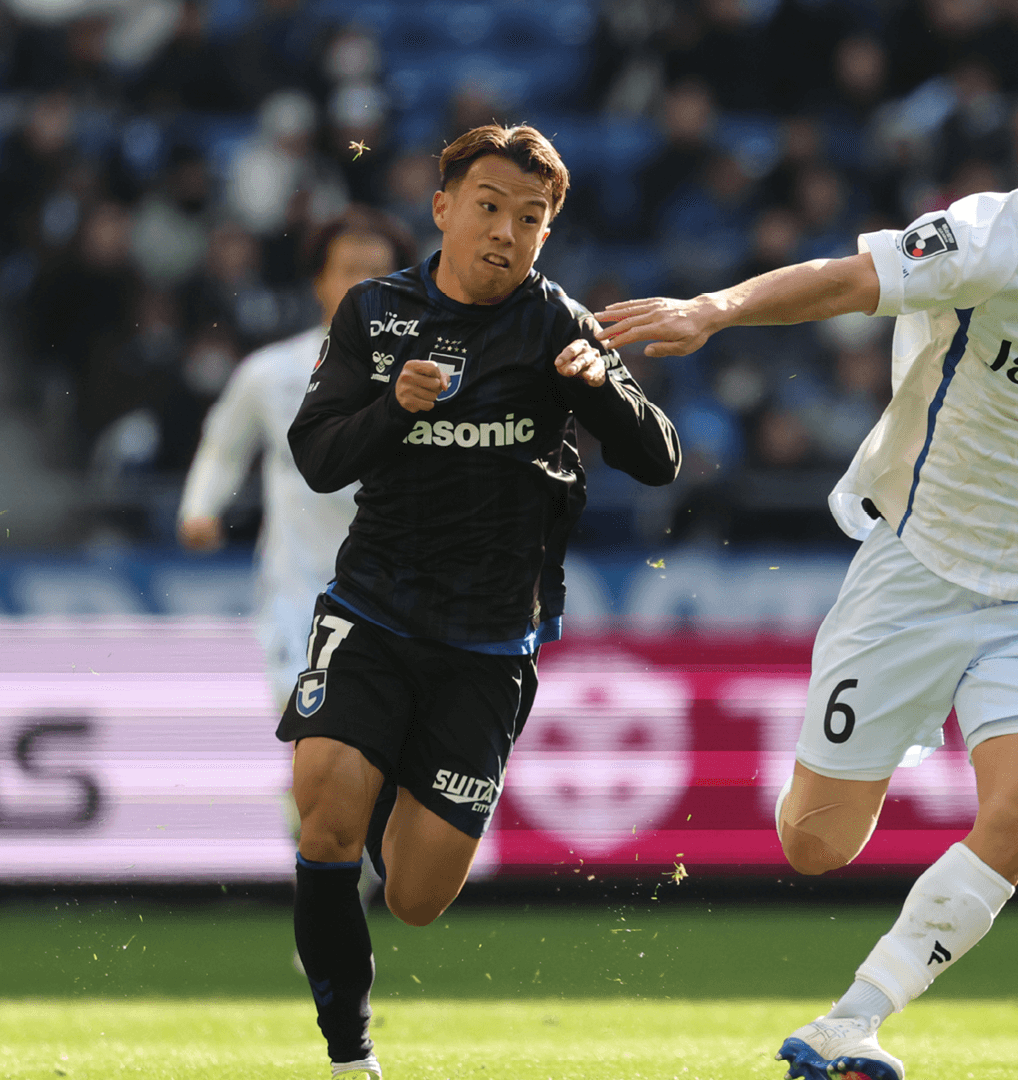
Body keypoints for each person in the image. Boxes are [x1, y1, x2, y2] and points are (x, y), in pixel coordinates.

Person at [597, 24, 1018, 1080]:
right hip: (917, 572)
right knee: (817, 844)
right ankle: (850, 772)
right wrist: (714, 310)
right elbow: (848, 278)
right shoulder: (992, 237)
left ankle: (852, 1021)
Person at [281, 123, 681, 1080]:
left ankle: (394, 784)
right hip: (372, 609)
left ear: (547, 232)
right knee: (326, 809)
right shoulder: (375, 313)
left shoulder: (560, 324)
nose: (506, 231)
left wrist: (603, 391)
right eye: (490, 207)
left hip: (490, 643)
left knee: (415, 898)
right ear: (444, 208)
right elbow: (317, 457)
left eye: (530, 218)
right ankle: (349, 1056)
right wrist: (394, 409)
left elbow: (659, 458)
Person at [177, 207, 416, 706]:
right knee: (307, 724)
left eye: (379, 273)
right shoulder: (271, 373)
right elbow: (223, 449)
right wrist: (200, 509)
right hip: (300, 588)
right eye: (350, 270)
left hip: (404, 587)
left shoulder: (433, 376)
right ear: (318, 282)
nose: (364, 286)